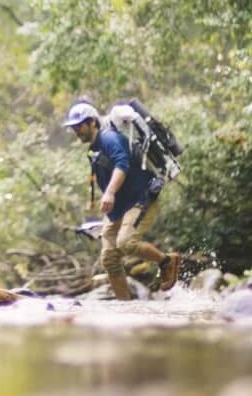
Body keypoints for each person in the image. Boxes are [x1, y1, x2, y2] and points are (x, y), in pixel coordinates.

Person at [63, 100, 180, 299]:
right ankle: (124, 307)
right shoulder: (94, 147)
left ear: (93, 122)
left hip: (140, 200)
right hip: (118, 209)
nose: (76, 130)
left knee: (126, 243)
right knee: (109, 258)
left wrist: (109, 193)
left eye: (79, 125)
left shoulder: (109, 138)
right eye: (74, 127)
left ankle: (167, 262)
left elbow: (122, 165)